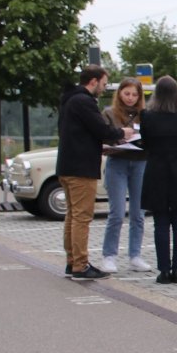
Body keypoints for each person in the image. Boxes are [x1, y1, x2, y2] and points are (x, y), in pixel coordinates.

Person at [56, 65, 133, 279]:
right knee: (82, 217)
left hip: (67, 165)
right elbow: (100, 129)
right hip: (82, 168)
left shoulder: (69, 100)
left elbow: (81, 132)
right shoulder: (84, 101)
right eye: (104, 83)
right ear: (94, 81)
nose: (104, 88)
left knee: (72, 215)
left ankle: (72, 261)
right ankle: (81, 265)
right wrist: (122, 133)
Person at [139, 76, 177, 283]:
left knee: (161, 223)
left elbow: (146, 144)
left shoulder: (147, 116)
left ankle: (164, 270)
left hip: (157, 172)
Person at [98, 77, 149, 273]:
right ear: (119, 93)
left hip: (140, 162)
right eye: (127, 93)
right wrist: (118, 137)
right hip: (117, 162)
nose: (130, 98)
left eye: (135, 95)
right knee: (117, 212)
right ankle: (109, 255)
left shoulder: (144, 114)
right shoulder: (109, 113)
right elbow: (102, 136)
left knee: (138, 212)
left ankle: (135, 255)